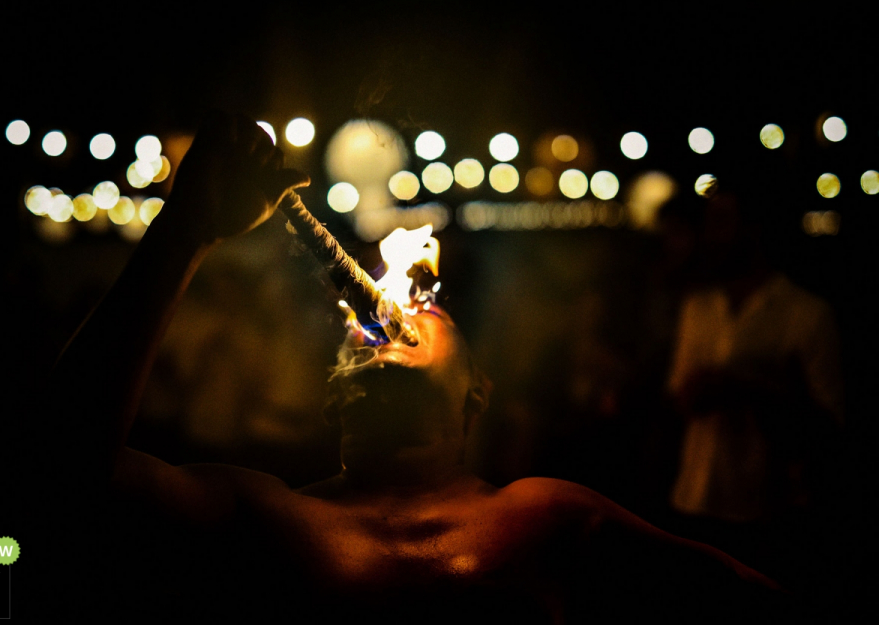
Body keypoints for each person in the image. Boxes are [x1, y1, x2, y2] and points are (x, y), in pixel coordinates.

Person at [51, 112, 789, 623]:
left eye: (430, 308)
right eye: (358, 337)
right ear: (335, 401)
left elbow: (741, 594)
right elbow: (52, 476)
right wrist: (185, 231)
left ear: (477, 392)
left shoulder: (546, 517)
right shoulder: (264, 519)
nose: (393, 313)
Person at [666, 183, 844, 581]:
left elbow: (831, 428)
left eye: (723, 222)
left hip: (766, 513)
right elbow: (680, 398)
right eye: (710, 222)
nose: (711, 235)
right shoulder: (699, 305)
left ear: (756, 228)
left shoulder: (807, 313)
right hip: (692, 499)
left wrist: (748, 390)